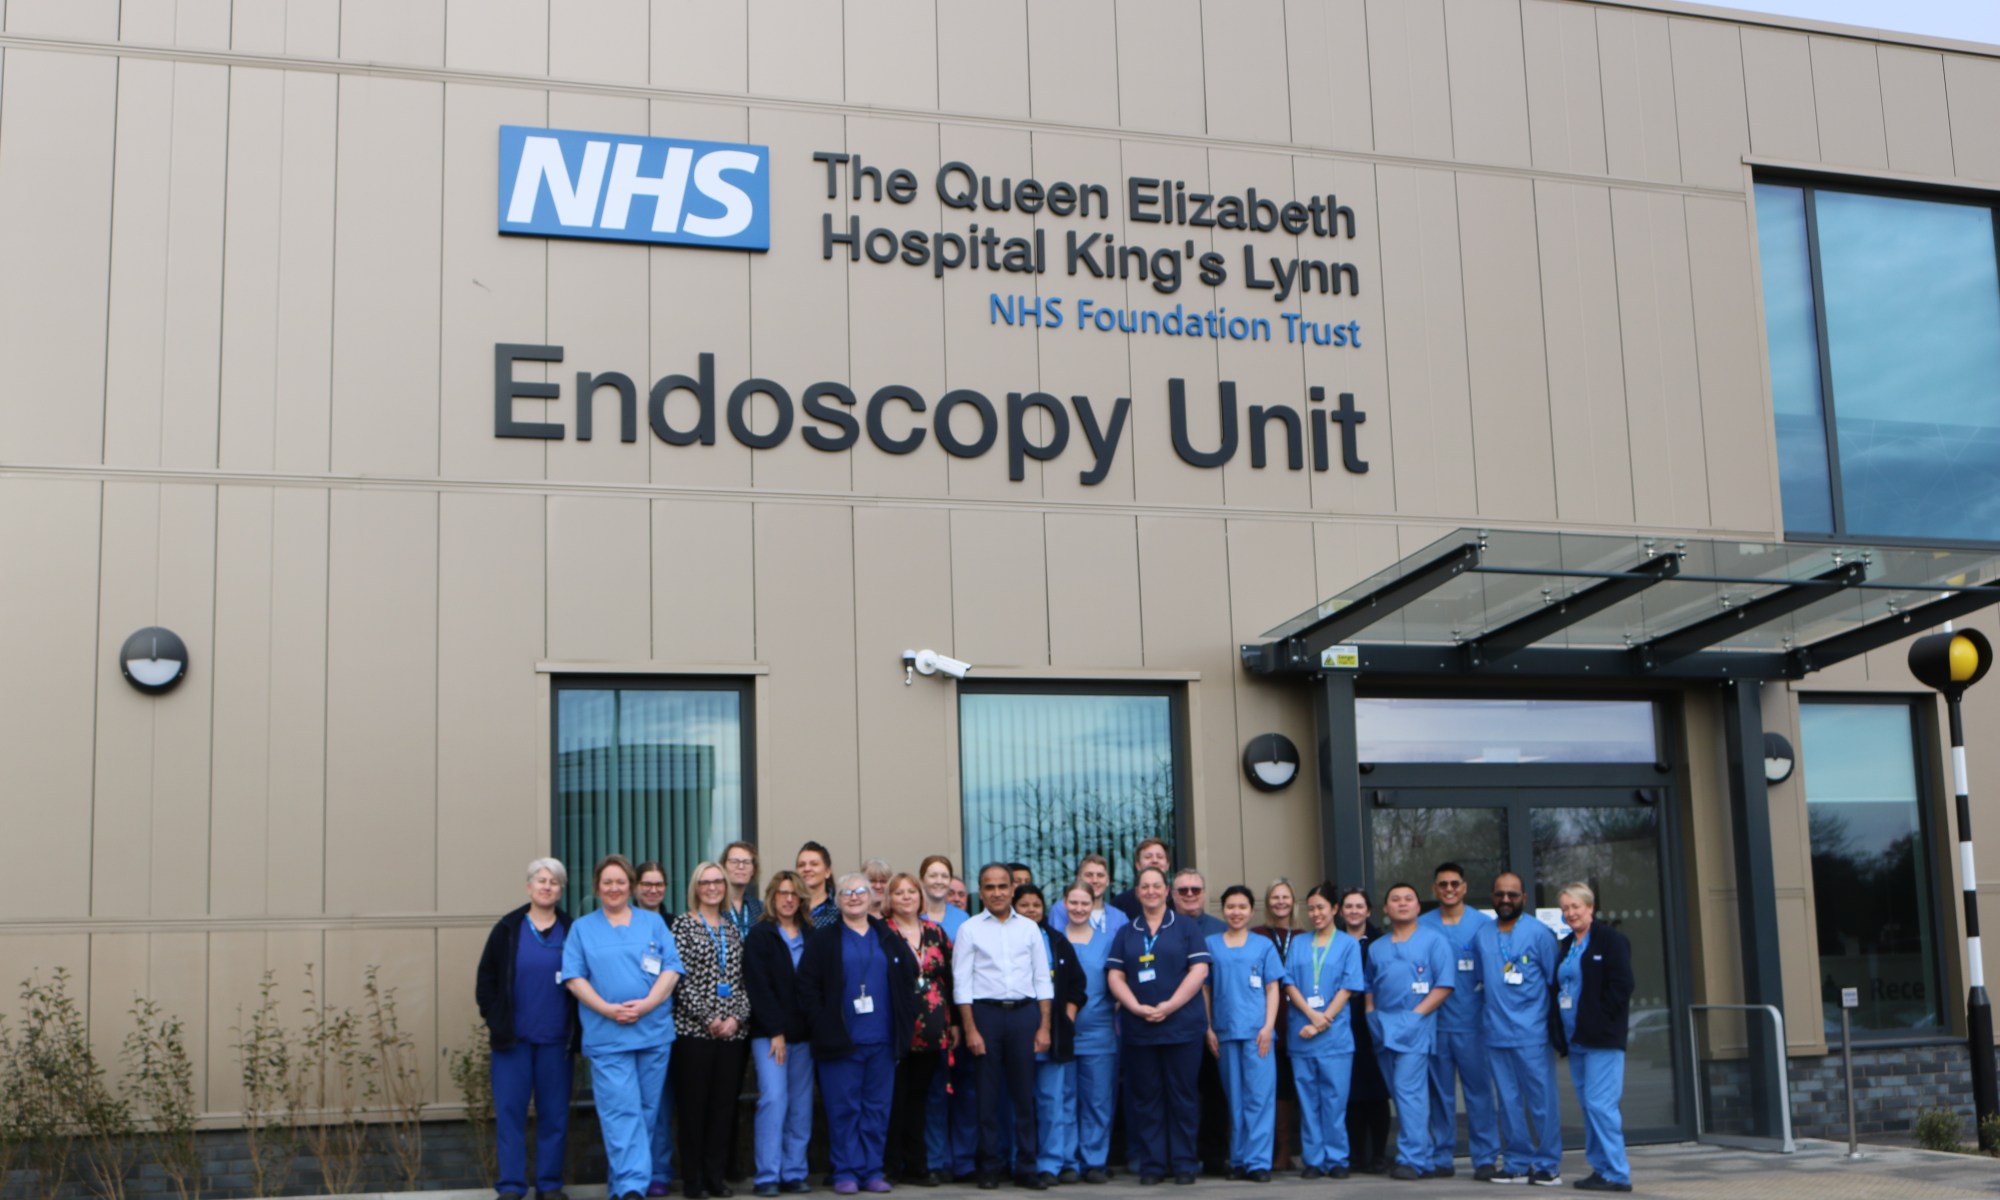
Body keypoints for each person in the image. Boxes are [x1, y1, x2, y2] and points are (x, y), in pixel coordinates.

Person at [561, 855, 683, 1200]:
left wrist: (646, 1005)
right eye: (607, 882)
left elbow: (671, 970)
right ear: (597, 887)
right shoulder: (583, 928)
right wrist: (606, 1009)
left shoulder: (653, 924)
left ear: (630, 886)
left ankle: (625, 1184)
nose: (614, 888)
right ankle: (632, 1187)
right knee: (620, 1110)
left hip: (653, 1032)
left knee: (646, 1110)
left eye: (620, 882)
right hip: (608, 1035)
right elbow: (573, 977)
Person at [798, 872, 919, 1194]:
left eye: (860, 891)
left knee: (877, 1110)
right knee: (843, 1110)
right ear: (837, 900)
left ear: (872, 897)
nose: (854, 897)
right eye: (846, 892)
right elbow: (807, 987)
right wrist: (821, 1022)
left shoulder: (888, 937)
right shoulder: (823, 939)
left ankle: (872, 1170)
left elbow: (910, 978)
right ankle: (845, 1171)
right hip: (841, 1041)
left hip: (882, 1039)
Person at [477, 858, 580, 1200]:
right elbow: (486, 980)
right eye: (541, 880)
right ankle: (511, 1186)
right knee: (510, 1115)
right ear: (529, 887)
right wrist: (496, 1019)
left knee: (554, 1116)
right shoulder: (508, 928)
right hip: (513, 1042)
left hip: (556, 1042)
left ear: (561, 889)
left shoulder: (572, 929)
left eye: (554, 882)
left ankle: (549, 1185)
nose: (547, 886)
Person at [1105, 865, 1211, 1185]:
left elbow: (1199, 970)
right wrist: (1136, 1007)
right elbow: (1115, 975)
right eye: (1144, 886)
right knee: (1147, 1100)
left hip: (1182, 1028)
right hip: (1140, 1031)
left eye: (1157, 886)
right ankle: (1152, 1165)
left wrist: (1171, 1005)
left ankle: (1183, 1164)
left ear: (1166, 891)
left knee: (1182, 1097)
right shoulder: (1127, 931)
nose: (1151, 891)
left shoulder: (1186, 928)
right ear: (1137, 893)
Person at [954, 862, 1055, 1190]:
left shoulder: (1029, 929)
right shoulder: (970, 929)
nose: (996, 893)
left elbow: (1043, 979)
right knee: (986, 1096)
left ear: (1013, 889)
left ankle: (1027, 1167)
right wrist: (970, 1029)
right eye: (989, 887)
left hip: (1025, 1015)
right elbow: (962, 983)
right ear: (980, 892)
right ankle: (990, 1167)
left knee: (1024, 1096)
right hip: (986, 1016)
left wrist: (1044, 1027)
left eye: (1002, 886)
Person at [1473, 872, 1562, 1187]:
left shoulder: (1540, 934)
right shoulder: (1482, 935)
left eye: (1512, 894)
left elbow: (1554, 982)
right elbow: (1485, 979)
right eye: (1500, 894)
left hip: (1532, 1034)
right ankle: (1516, 1163)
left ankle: (1548, 1164)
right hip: (1496, 1034)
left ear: (1524, 897)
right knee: (1508, 1103)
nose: (1506, 900)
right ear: (1493, 897)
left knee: (1541, 1102)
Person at [671, 862, 754, 1199]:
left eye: (718, 881)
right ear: (696, 887)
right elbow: (678, 979)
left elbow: (744, 981)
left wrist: (736, 1017)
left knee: (723, 1109)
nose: (712, 887)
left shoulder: (732, 930)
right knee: (694, 1108)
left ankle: (715, 1178)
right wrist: (708, 1017)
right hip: (694, 1034)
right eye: (705, 882)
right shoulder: (682, 925)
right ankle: (693, 1181)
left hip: (732, 1034)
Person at [1365, 883, 1453, 1181]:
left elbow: (1444, 985)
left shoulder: (1434, 941)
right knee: (1399, 1093)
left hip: (1415, 1027)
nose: (1402, 904)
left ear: (1418, 907)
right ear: (1385, 909)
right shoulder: (1377, 947)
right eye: (1395, 900)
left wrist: (1415, 1017)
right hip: (1383, 1026)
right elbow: (1368, 987)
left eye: (1408, 899)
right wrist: (1371, 1016)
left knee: (1409, 1091)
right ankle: (1425, 1157)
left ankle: (1412, 1159)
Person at [1553, 882, 1634, 1193]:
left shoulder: (1611, 940)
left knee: (1601, 1105)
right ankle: (1600, 1169)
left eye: (1576, 907)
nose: (1570, 913)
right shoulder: (1567, 945)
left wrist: (1600, 1020)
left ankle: (1618, 1173)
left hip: (1602, 1039)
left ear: (1590, 907)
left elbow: (1622, 986)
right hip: (1576, 1040)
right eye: (1565, 909)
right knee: (1590, 1106)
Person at [1418, 862, 1497, 1180]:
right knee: (1440, 1095)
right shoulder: (1422, 925)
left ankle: (1486, 1157)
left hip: (1473, 1025)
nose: (1449, 889)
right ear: (1434, 889)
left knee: (1479, 1093)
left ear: (1464, 887)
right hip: (1436, 1026)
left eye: (1454, 884)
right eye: (1442, 884)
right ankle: (1441, 1155)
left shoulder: (1483, 925)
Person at [1282, 883, 1367, 1181]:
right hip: (1302, 1033)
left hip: (1334, 1036)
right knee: (1308, 1100)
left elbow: (1349, 986)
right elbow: (1288, 982)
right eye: (1312, 908)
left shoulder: (1347, 945)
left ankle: (1337, 1158)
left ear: (1335, 909)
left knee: (1334, 1100)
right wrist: (1310, 1015)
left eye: (1322, 907)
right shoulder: (1299, 942)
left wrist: (1323, 1019)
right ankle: (1314, 1159)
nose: (1316, 913)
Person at [1204, 885, 1285, 1182]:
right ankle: (1238, 1160)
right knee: (1234, 1099)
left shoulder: (1263, 945)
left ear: (1251, 911)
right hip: (1225, 1032)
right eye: (1230, 907)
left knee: (1259, 1098)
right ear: (1223, 910)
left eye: (1242, 907)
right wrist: (1208, 1027)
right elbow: (1206, 988)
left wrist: (1268, 1026)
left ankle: (1258, 1162)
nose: (1236, 912)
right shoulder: (1211, 944)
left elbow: (1273, 987)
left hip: (1257, 1033)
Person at [744, 871, 814, 1198]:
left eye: (794, 894)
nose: (788, 899)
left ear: (801, 899)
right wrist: (775, 1031)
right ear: (772, 897)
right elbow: (758, 988)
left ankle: (794, 1171)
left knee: (801, 1105)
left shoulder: (812, 935)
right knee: (774, 1099)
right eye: (782, 893)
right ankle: (767, 1174)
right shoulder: (760, 935)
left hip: (805, 1036)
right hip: (769, 1035)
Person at [884, 872, 956, 1186]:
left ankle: (917, 1164)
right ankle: (891, 1164)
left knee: (920, 1098)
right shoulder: (881, 932)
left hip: (932, 1028)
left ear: (920, 896)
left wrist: (953, 1022)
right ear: (890, 899)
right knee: (894, 1098)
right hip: (895, 1027)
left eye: (911, 892)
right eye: (899, 893)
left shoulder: (935, 932)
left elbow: (951, 980)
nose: (906, 897)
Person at [1015, 885, 1086, 1187]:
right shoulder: (1004, 940)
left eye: (1036, 904)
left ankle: (1052, 1163)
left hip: (1053, 1035)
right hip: (1015, 1033)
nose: (1031, 910)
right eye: (1024, 905)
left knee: (1052, 1102)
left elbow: (1076, 986)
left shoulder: (1057, 942)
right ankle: (1020, 1160)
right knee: (1018, 1103)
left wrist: (1066, 1018)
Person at [1060, 882, 1118, 1184]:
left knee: (1097, 1100)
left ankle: (1094, 1160)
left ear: (1094, 904)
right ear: (1064, 903)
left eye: (1085, 903)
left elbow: (1119, 984)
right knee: (1065, 1098)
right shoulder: (1054, 941)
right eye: (1074, 903)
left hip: (1099, 1033)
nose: (1079, 909)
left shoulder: (1108, 942)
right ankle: (1067, 1160)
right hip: (1063, 1034)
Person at [1171, 869, 1227, 1175]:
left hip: (1216, 1026)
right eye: (1183, 890)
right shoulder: (1162, 927)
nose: (1190, 895)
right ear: (1172, 894)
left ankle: (1215, 1156)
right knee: (1181, 1095)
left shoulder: (1219, 929)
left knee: (1215, 1094)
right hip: (1175, 1026)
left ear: (1204, 893)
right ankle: (1183, 1156)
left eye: (1195, 889)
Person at [1336, 889, 1391, 1174]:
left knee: (1376, 1091)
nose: (1354, 911)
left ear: (1369, 911)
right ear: (1340, 911)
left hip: (1373, 1022)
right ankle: (1358, 1155)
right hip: (1340, 1022)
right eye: (1349, 906)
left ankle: (1379, 1155)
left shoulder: (1381, 942)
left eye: (1360, 906)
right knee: (1351, 1093)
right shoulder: (1330, 940)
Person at [633, 862, 679, 1197]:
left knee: (660, 1104)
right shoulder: (621, 922)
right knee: (628, 1105)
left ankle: (659, 1171)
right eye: (646, 884)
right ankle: (632, 1171)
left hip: (665, 1029)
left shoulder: (674, 925)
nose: (652, 890)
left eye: (658, 884)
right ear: (635, 887)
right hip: (624, 1026)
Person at [1251, 880, 1301, 1172]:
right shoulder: (1257, 936)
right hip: (1269, 1023)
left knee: (1295, 1090)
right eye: (1275, 897)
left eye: (1286, 897)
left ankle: (1293, 1151)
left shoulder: (1306, 937)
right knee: (1274, 1090)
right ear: (1268, 902)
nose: (1280, 902)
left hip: (1301, 1021)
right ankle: (1274, 1153)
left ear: (1294, 901)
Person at [1109, 839, 1171, 922]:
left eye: (1160, 857)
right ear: (1138, 865)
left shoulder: (1180, 898)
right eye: (1148, 857)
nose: (1155, 861)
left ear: (1167, 865)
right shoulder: (1120, 904)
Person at [1074, 854, 1127, 937]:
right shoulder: (1063, 910)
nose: (1095, 880)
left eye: (1100, 875)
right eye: (1089, 875)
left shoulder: (1119, 917)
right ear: (1079, 879)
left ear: (1107, 881)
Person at [920, 855, 970, 939]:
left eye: (944, 876)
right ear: (922, 880)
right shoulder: (911, 914)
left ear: (950, 881)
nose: (939, 881)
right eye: (933, 876)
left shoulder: (962, 917)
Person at [724, 842, 764, 936]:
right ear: (724, 867)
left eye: (746, 862)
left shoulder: (760, 909)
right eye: (734, 861)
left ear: (753, 870)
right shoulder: (715, 906)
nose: (741, 866)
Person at [798, 843, 838, 928]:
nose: (807, 869)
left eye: (814, 864)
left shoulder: (839, 907)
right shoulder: (789, 905)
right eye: (801, 865)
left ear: (827, 872)